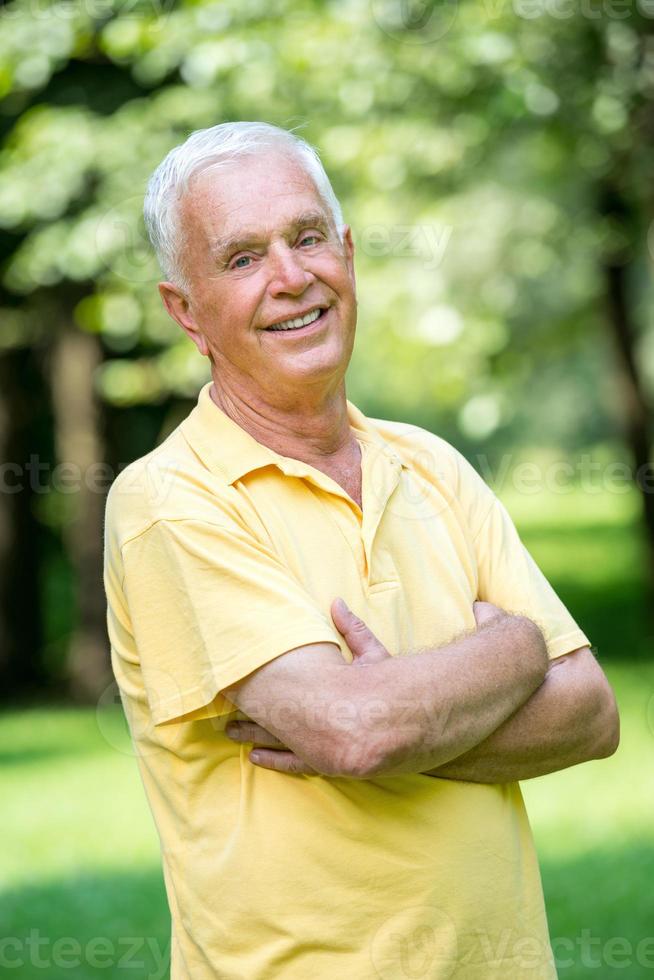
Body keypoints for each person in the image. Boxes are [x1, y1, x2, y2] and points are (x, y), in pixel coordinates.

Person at [103, 121, 619, 979]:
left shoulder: (434, 466)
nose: (291, 277)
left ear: (348, 253)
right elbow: (352, 728)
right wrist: (514, 650)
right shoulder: (170, 500)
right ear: (186, 311)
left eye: (307, 238)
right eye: (242, 259)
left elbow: (592, 715)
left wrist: (405, 712)